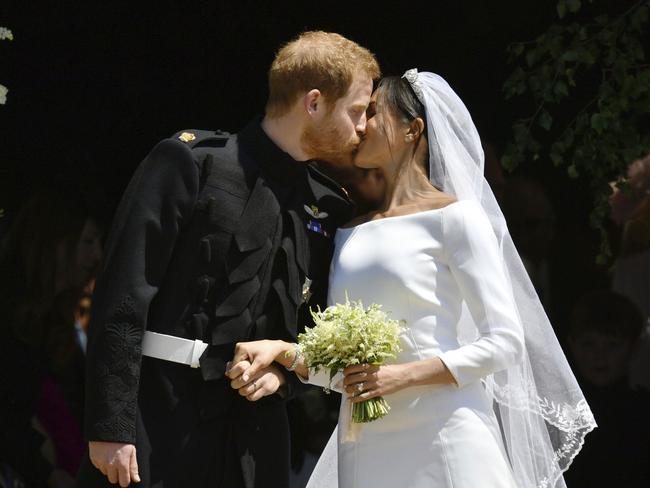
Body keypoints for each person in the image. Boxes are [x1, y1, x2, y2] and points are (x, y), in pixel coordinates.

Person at [227, 70, 596, 488]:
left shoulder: (456, 218)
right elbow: (346, 372)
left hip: (445, 433)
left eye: (372, 113)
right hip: (365, 445)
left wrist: (401, 376)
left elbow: (504, 342)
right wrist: (284, 352)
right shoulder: (349, 231)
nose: (361, 126)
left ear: (412, 129)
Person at [76, 31, 380, 488]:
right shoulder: (189, 163)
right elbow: (123, 296)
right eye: (356, 111)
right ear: (313, 103)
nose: (363, 127)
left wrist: (284, 378)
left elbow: (316, 327)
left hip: (256, 444)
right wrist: (110, 427)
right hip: (158, 421)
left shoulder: (329, 205)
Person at [0, 187, 103, 488]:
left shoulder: (60, 324)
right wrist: (45, 472)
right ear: (53, 243)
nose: (97, 255)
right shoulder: (11, 321)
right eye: (87, 241)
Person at [563, 290, 650, 487]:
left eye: (613, 345)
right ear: (572, 344)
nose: (599, 355)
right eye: (588, 344)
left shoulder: (643, 412)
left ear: (634, 347)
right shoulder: (558, 412)